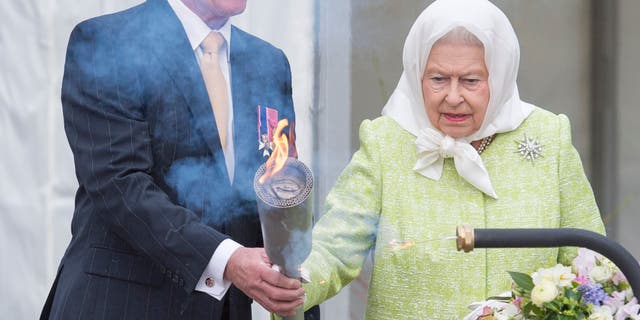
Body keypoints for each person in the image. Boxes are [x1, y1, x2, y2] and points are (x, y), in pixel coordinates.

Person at [294, 0, 606, 319]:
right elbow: (335, 247)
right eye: (438, 79)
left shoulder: (549, 136)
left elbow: (593, 265)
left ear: (499, 76)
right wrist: (291, 282)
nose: (453, 97)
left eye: (471, 81)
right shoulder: (385, 142)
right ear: (417, 74)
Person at [40, 0, 319, 319]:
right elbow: (120, 185)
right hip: (123, 305)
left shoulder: (269, 64)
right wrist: (229, 260)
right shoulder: (107, 42)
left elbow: (279, 188)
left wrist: (296, 294)